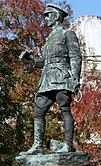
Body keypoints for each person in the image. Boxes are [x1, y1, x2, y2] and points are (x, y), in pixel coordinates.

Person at [19, 4, 82, 155]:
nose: (46, 18)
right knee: (38, 111)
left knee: (64, 109)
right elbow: (44, 62)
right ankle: (37, 146)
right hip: (47, 79)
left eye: (48, 15)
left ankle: (67, 145)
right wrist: (31, 58)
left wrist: (75, 78)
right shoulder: (48, 39)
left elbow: (75, 57)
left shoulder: (68, 34)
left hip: (61, 77)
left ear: (56, 16)